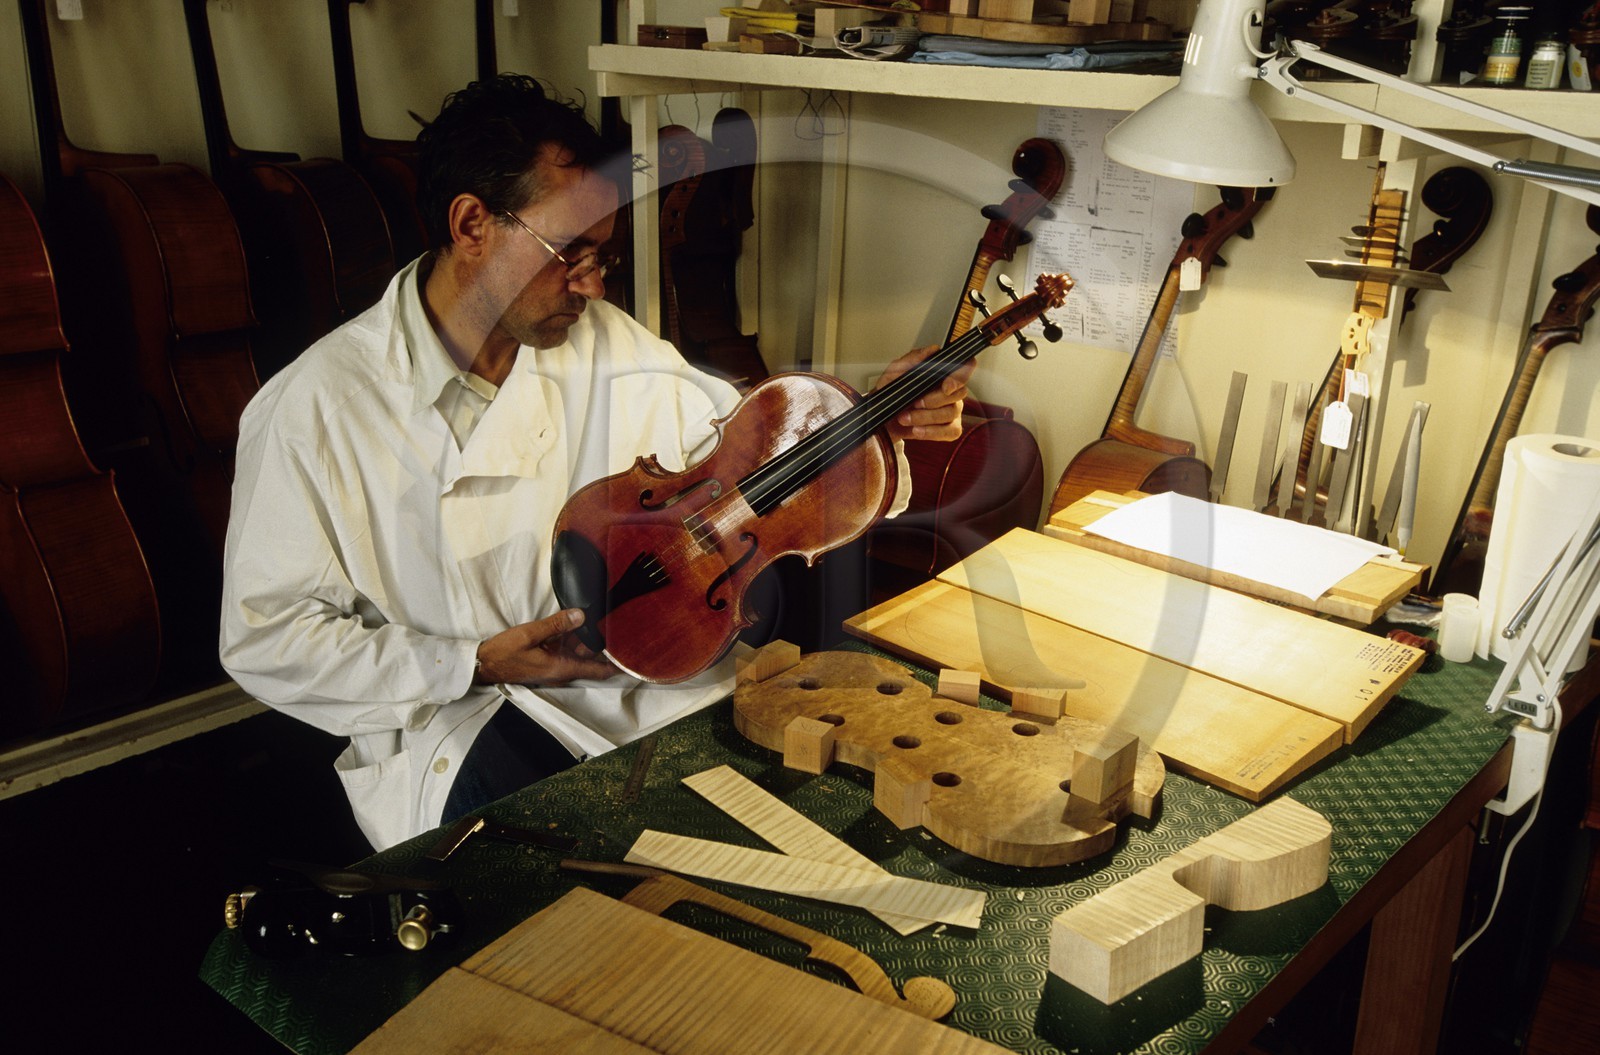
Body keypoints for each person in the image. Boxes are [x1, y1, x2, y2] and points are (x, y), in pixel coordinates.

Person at [219, 74, 972, 852]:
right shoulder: (314, 407)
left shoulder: (605, 341)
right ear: (472, 222)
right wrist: (466, 663)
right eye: (567, 252)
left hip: (641, 693)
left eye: (601, 256)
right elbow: (267, 639)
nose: (591, 282)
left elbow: (753, 467)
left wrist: (877, 425)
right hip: (462, 717)